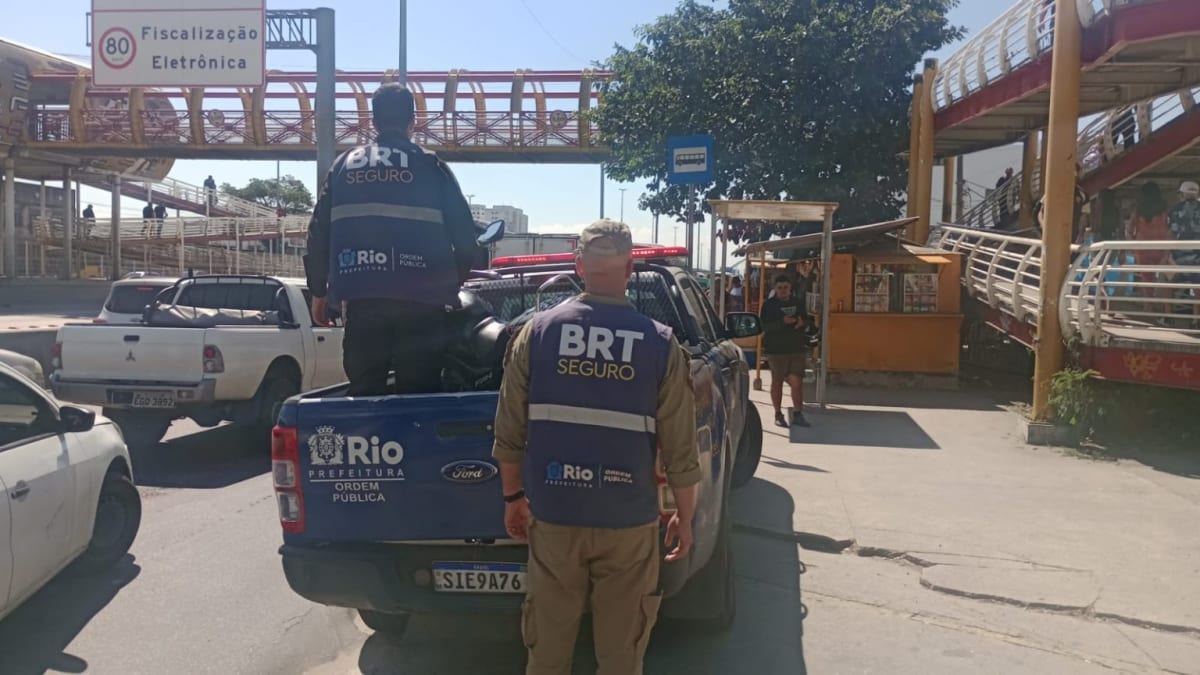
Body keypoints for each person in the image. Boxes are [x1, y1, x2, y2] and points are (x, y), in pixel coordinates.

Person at [492, 219, 700, 675]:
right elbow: (681, 446)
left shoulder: (537, 333)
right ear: (630, 267)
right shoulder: (660, 343)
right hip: (628, 521)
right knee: (620, 654)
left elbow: (509, 429)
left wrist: (512, 498)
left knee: (547, 652)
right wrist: (686, 516)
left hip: (555, 512)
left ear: (578, 264)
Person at [304, 83, 478, 396]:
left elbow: (318, 233)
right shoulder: (430, 165)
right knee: (418, 396)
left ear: (374, 122)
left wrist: (318, 291)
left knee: (365, 395)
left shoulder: (343, 166)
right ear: (413, 121)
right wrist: (450, 286)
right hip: (423, 305)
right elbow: (465, 239)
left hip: (362, 301)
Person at [760, 273, 811, 428]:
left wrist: (802, 322)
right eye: (780, 288)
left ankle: (798, 413)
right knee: (777, 382)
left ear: (790, 288)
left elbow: (808, 319)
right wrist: (781, 322)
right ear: (775, 288)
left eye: (786, 288)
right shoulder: (769, 305)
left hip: (796, 348)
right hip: (776, 350)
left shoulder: (798, 302)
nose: (783, 290)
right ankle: (778, 414)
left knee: (797, 381)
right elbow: (763, 327)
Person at [1168, 180, 1200, 319]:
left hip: (1178, 254)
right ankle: (1196, 318)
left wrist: (1167, 251)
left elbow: (1171, 232)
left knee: (1168, 283)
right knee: (1198, 287)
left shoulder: (1175, 210)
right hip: (1198, 255)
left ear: (1181, 194)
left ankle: (1168, 316)